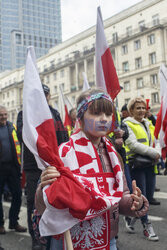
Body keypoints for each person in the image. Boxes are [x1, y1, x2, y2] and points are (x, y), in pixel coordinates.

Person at [35, 89, 149, 250]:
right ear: (80, 118)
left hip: (108, 240)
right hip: (68, 241)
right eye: (96, 113)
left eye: (108, 114)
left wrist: (134, 203)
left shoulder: (114, 156)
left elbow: (118, 199)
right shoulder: (63, 154)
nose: (104, 119)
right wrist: (43, 188)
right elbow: (43, 207)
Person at [17, 84, 69, 250]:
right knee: (34, 201)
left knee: (56, 199)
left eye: (46, 94)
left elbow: (63, 135)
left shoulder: (54, 113)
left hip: (55, 165)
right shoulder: (24, 114)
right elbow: (24, 135)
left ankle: (54, 234)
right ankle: (36, 238)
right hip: (34, 166)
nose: (44, 97)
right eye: (41, 94)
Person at [124, 97, 160, 241]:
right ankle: (147, 226)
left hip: (150, 163)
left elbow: (156, 140)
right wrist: (154, 153)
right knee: (142, 196)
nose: (141, 111)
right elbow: (133, 144)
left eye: (143, 108)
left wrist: (156, 151)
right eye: (137, 108)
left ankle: (131, 218)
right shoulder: (127, 124)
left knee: (149, 196)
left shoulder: (148, 123)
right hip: (136, 165)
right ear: (131, 110)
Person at [0, 105, 27, 234]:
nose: (4, 117)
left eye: (5, 114)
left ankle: (13, 222)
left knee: (17, 195)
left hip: (13, 167)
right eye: (1, 115)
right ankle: (0, 224)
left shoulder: (12, 127)